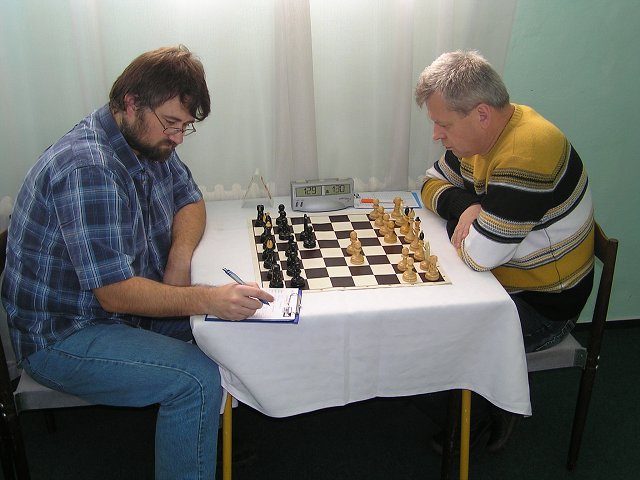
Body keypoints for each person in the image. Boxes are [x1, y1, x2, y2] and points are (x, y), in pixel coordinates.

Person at [1, 45, 273, 479]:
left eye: (185, 127)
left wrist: (178, 263)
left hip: (120, 311)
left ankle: (199, 439)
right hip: (64, 334)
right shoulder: (88, 168)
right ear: (131, 103)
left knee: (236, 329)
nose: (178, 138)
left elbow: (190, 200)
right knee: (196, 379)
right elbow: (115, 295)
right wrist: (205, 298)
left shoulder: (146, 141)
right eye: (171, 123)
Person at [414, 50, 594, 453]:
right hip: (504, 279)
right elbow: (428, 184)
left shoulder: (527, 152)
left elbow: (479, 256)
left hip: (544, 305)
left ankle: (492, 410)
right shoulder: (482, 137)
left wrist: (469, 223)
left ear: (481, 113)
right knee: (420, 319)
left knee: (432, 341)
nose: (437, 135)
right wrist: (468, 207)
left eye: (443, 124)